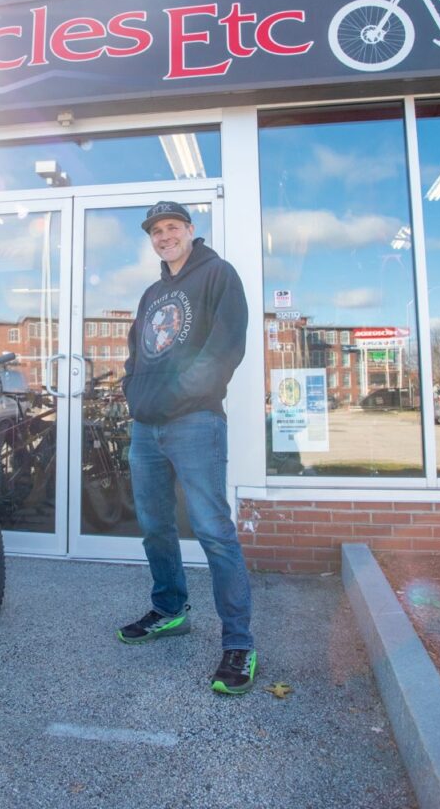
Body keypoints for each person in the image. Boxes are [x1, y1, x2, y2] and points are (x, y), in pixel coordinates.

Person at [118, 200, 256, 695]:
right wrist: (134, 393)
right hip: (146, 426)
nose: (164, 236)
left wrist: (179, 394)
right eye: (156, 231)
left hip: (196, 421)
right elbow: (136, 352)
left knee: (213, 530)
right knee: (155, 527)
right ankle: (170, 610)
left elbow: (227, 345)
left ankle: (238, 643)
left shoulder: (218, 274)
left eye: (172, 227)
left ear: (190, 230)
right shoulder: (152, 293)